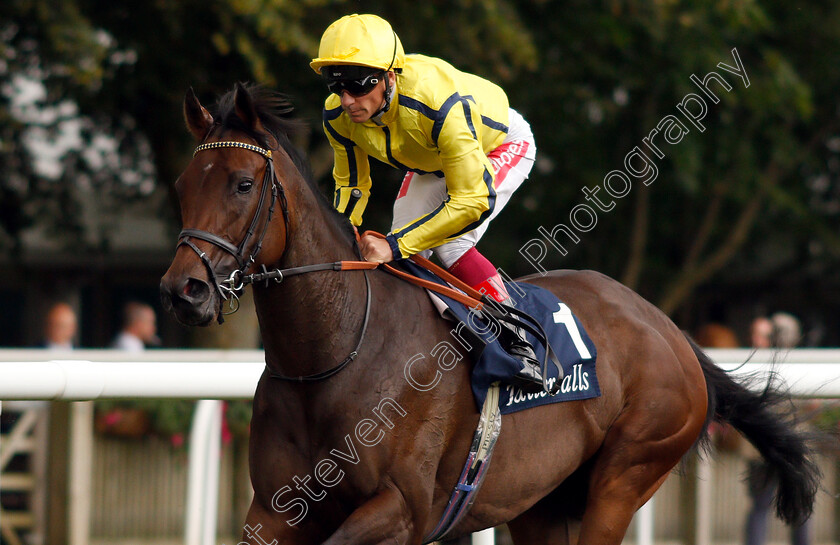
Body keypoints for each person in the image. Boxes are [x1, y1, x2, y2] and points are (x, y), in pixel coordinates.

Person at [311, 14, 542, 388]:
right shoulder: (338, 116)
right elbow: (352, 186)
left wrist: (393, 244)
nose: (348, 100)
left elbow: (471, 202)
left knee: (448, 241)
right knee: (408, 249)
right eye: (337, 86)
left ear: (390, 76)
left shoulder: (438, 104)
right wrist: (339, 237)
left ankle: (519, 341)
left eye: (357, 85)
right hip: (435, 159)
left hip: (496, 144)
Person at [744, 312, 811, 545]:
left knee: (761, 506)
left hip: (763, 446)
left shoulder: (758, 361)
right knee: (798, 505)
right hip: (785, 445)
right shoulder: (806, 365)